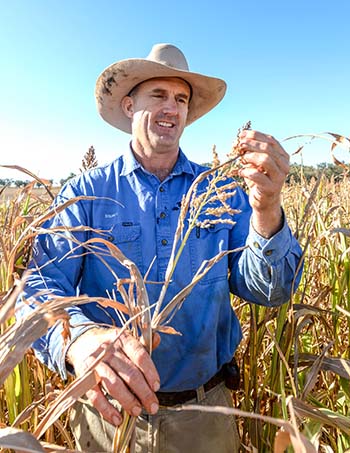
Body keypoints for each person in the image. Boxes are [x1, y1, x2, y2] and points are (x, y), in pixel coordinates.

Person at [17, 43, 303, 452]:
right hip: (110, 417)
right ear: (130, 105)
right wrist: (79, 340)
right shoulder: (86, 193)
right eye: (159, 95)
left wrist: (268, 209)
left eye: (181, 99)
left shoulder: (220, 192)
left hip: (205, 417)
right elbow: (38, 289)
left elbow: (270, 291)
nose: (172, 107)